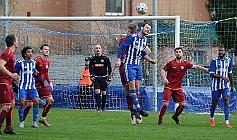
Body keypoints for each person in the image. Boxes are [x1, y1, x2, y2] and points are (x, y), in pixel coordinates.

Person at [110, 23, 151, 125]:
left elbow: (147, 51)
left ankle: (136, 110)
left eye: (129, 30)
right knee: (128, 89)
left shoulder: (142, 40)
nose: (128, 32)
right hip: (125, 66)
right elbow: (120, 49)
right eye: (127, 30)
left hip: (136, 66)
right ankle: (133, 112)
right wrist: (114, 68)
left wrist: (147, 59)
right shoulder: (126, 39)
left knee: (137, 89)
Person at [158, 47, 208, 125]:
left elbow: (195, 66)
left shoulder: (185, 63)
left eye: (179, 52)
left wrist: (205, 69)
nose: (178, 53)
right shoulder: (171, 63)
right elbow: (163, 70)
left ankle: (175, 116)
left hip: (178, 87)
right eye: (177, 52)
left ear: (182, 53)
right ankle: (160, 120)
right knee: (165, 104)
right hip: (168, 86)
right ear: (175, 53)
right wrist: (164, 78)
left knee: (183, 105)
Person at [24, 44, 54, 127]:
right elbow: (31, 68)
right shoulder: (37, 60)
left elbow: (46, 73)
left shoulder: (47, 61)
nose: (47, 51)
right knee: (30, 104)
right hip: (33, 85)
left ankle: (43, 119)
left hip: (42, 85)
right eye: (45, 49)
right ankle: (22, 120)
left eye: (48, 49)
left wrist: (50, 82)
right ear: (41, 50)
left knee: (51, 101)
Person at [208, 46, 234, 128]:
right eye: (219, 51)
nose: (220, 52)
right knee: (214, 103)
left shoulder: (229, 60)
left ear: (225, 51)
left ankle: (227, 122)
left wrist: (232, 85)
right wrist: (222, 77)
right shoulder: (214, 60)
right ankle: (211, 118)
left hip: (225, 86)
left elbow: (230, 73)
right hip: (215, 86)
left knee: (226, 100)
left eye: (222, 51)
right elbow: (211, 73)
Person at [14, 46, 40, 128]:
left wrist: (35, 72)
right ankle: (21, 122)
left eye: (31, 52)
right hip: (22, 86)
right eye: (28, 52)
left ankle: (34, 122)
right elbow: (14, 73)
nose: (30, 53)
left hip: (31, 86)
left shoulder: (33, 63)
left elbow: (34, 72)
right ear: (25, 54)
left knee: (36, 102)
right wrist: (15, 80)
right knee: (22, 103)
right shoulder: (19, 63)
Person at [0, 34, 19, 135]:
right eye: (17, 40)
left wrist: (13, 77)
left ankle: (8, 128)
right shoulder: (7, 52)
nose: (18, 42)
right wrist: (11, 75)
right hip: (3, 82)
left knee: (11, 104)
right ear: (14, 42)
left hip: (7, 82)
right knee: (6, 106)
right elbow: (0, 65)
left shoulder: (11, 53)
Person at [89, 44, 112, 112]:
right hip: (96, 78)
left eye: (99, 48)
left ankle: (103, 107)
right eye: (96, 48)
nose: (98, 50)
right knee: (97, 91)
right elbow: (90, 67)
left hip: (104, 78)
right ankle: (99, 107)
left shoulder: (105, 58)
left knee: (104, 92)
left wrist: (109, 78)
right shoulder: (92, 59)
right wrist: (91, 75)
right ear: (94, 50)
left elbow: (109, 68)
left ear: (101, 49)